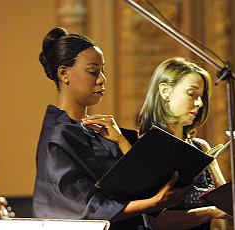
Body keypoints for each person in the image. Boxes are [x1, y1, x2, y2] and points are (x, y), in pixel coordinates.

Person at [33, 27, 188, 230]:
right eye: (92, 71)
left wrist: (123, 141)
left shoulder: (99, 129)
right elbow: (83, 207)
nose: (102, 79)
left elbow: (135, 182)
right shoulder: (58, 137)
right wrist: (153, 203)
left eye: (103, 71)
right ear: (64, 73)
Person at [139, 57, 230, 230]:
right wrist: (211, 212)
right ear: (165, 91)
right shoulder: (148, 147)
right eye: (191, 94)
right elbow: (155, 221)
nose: (200, 103)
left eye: (202, 96)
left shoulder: (202, 147)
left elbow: (228, 206)